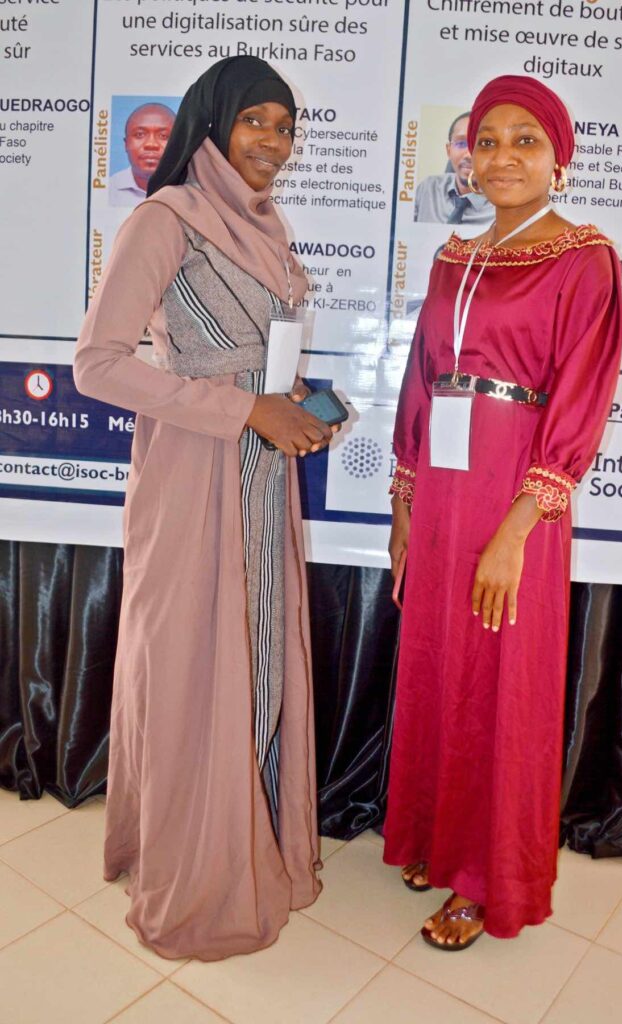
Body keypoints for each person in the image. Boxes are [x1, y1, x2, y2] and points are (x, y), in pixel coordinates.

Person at [74, 56, 336, 961]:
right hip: (191, 473)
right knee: (192, 663)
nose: (274, 142)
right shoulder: (166, 217)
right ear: (213, 124)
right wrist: (242, 408)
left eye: (286, 126)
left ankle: (253, 841)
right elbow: (97, 364)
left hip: (261, 476)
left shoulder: (266, 227)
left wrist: (293, 403)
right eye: (257, 121)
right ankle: (193, 867)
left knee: (257, 652)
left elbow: (255, 356)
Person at [384, 75, 622, 950]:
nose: (504, 155)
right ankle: (437, 841)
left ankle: (490, 878)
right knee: (441, 664)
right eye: (488, 139)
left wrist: (518, 529)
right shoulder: (454, 258)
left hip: (517, 493)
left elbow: (579, 403)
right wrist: (405, 505)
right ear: (468, 158)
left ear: (558, 159)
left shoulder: (585, 257)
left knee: (501, 680)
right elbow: (420, 385)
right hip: (443, 491)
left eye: (526, 139)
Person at [414, 111, 493, 227]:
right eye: (461, 143)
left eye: (482, 144)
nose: (469, 155)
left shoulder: (505, 209)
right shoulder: (427, 188)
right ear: (448, 150)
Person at [108, 102, 176, 206]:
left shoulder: (192, 194)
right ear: (126, 144)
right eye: (140, 134)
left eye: (163, 136)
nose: (151, 144)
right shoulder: (109, 189)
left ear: (178, 144)